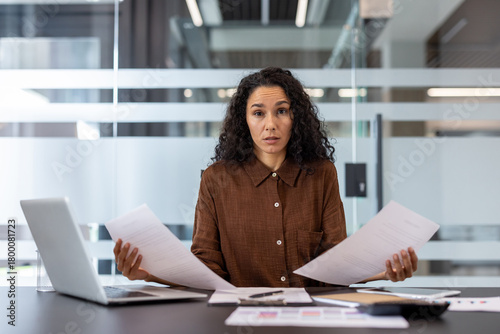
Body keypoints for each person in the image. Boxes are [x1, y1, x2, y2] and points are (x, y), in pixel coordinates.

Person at [114, 67, 418, 287]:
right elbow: (207, 271)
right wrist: (149, 274)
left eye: (282, 111)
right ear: (244, 120)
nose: (270, 124)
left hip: (309, 320)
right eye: (258, 113)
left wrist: (383, 272)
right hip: (238, 320)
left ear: (295, 117)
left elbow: (335, 265)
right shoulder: (216, 180)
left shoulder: (322, 174)